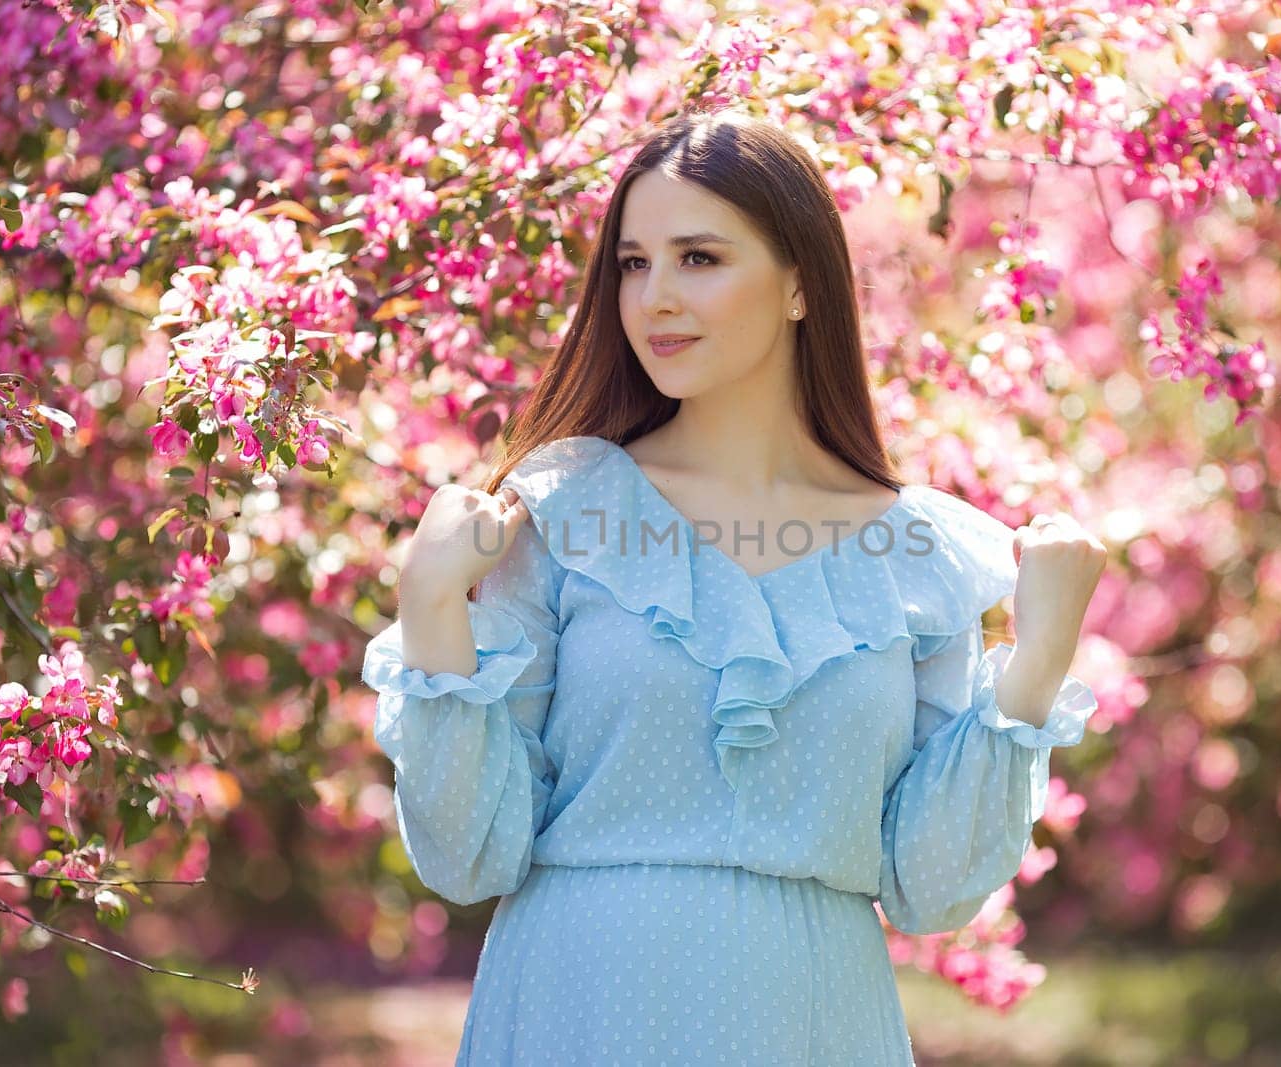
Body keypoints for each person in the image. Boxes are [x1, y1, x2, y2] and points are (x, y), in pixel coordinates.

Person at [361, 106, 1107, 1065]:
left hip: (814, 1020)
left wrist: (1036, 662)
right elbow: (471, 857)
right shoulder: (563, 514)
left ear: (799, 282)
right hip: (577, 1009)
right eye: (633, 263)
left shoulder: (920, 556)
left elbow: (930, 886)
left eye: (699, 258)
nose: (655, 298)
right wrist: (429, 609)